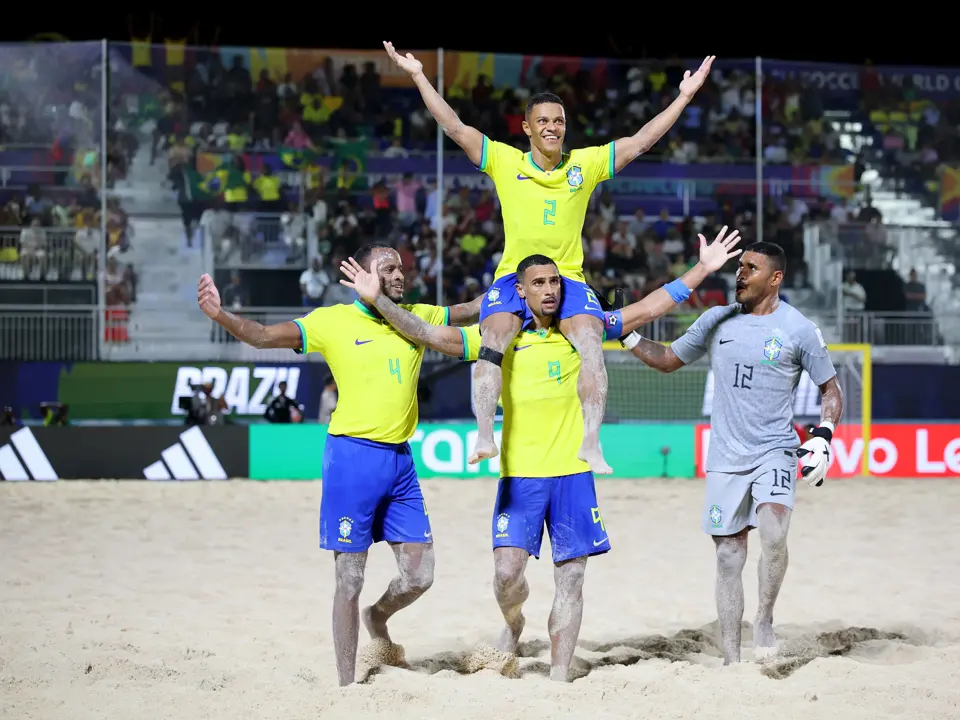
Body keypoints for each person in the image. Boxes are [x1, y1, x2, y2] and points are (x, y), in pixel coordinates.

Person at [339, 227, 742, 681]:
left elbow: (650, 306)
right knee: (506, 578)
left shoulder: (581, 332)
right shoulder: (500, 339)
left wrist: (704, 268)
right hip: (521, 478)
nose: (550, 290)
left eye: (555, 282)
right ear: (520, 291)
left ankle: (559, 677)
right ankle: (513, 625)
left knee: (571, 579)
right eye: (539, 284)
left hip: (573, 474)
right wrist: (377, 301)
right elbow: (426, 331)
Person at [384, 40, 715, 475]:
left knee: (592, 346)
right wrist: (418, 76)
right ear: (526, 127)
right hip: (512, 278)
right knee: (492, 342)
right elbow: (454, 126)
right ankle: (485, 435)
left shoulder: (586, 164)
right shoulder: (504, 160)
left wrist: (684, 97)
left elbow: (641, 142)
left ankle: (591, 442)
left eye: (558, 121)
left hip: (568, 278)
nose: (552, 127)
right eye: (543, 121)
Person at [196, 243, 481, 686]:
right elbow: (263, 336)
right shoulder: (332, 321)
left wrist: (519, 276)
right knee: (349, 579)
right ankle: (347, 687)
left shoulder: (417, 315)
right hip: (352, 459)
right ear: (364, 277)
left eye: (401, 268)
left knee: (420, 576)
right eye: (389, 269)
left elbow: (471, 310)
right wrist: (219, 314)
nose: (400, 275)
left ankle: (377, 616)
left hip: (400, 461)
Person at [621, 241, 844, 664]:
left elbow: (830, 388)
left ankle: (764, 619)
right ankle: (730, 658)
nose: (739, 274)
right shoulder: (715, 319)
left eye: (751, 268)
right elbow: (668, 359)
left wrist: (824, 434)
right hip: (725, 457)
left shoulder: (798, 329)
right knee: (727, 556)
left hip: (776, 450)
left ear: (775, 278)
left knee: (775, 536)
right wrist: (628, 335)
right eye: (739, 266)